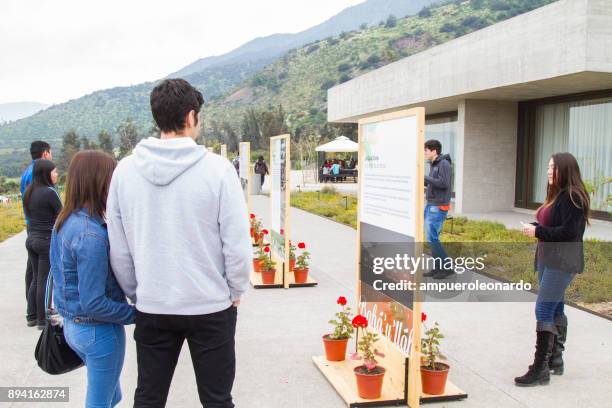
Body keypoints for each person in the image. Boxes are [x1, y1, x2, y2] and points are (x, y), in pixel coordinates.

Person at [107, 78, 251, 408]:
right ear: (190, 117)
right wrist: (236, 290)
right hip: (211, 304)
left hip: (153, 304)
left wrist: (136, 291)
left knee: (148, 398)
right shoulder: (218, 170)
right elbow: (236, 243)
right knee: (217, 399)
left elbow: (120, 247)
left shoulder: (125, 172)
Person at [50, 150, 135, 407]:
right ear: (100, 181)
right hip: (98, 332)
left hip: (74, 327)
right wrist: (139, 314)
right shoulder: (91, 236)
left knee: (112, 395)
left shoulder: (65, 222)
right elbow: (94, 302)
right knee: (100, 402)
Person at [515, 152, 589, 387]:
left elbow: (570, 233)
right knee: (556, 307)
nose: (548, 171)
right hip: (549, 259)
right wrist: (537, 227)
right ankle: (555, 360)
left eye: (552, 168)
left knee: (543, 310)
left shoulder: (573, 196)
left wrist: (538, 232)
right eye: (547, 167)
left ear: (565, 169)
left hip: (561, 262)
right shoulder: (559, 194)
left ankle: (540, 369)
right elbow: (554, 225)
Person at [23, 159, 61, 329]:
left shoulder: (29, 192)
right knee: (45, 280)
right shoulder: (49, 192)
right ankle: (42, 318)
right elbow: (62, 216)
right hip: (46, 240)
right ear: (46, 173)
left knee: (36, 279)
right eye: (54, 171)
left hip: (31, 239)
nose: (57, 174)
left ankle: (31, 315)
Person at [20, 140, 52, 327]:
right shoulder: (38, 175)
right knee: (41, 276)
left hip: (31, 226)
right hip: (40, 228)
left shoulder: (26, 172)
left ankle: (32, 311)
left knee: (32, 271)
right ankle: (39, 312)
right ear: (45, 153)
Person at [422, 139, 453, 279]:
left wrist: (425, 178)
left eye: (426, 150)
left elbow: (443, 183)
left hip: (438, 206)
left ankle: (446, 268)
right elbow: (434, 183)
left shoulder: (444, 163)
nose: (424, 153)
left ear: (434, 151)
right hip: (431, 204)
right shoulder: (434, 164)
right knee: (431, 238)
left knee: (432, 238)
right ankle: (438, 267)